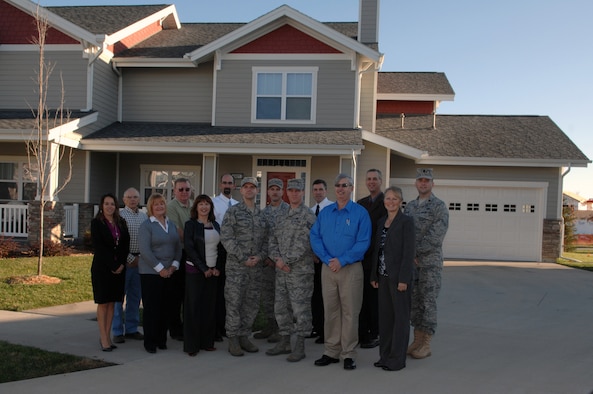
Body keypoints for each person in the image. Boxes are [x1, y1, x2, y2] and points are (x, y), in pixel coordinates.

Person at [310, 174, 371, 371]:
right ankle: (331, 351)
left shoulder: (360, 213)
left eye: (345, 185)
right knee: (331, 311)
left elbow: (363, 242)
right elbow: (315, 237)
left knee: (350, 312)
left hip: (350, 268)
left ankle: (348, 354)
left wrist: (342, 260)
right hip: (328, 268)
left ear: (351, 188)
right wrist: (328, 259)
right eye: (337, 185)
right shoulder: (326, 213)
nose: (341, 189)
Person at [266, 178, 316, 362]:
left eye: (298, 190)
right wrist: (277, 259)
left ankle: (300, 345)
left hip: (300, 272)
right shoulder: (281, 215)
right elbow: (272, 239)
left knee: (300, 308)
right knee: (281, 307)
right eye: (291, 190)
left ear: (303, 193)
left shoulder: (309, 216)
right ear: (287, 192)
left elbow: (304, 243)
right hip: (281, 270)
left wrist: (285, 260)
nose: (294, 193)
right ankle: (285, 340)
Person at [404, 168, 449, 359]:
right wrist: (409, 253)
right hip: (412, 265)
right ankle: (417, 339)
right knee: (415, 302)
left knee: (428, 302)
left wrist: (415, 251)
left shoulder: (439, 206)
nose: (423, 183)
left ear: (432, 184)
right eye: (420, 180)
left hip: (430, 264)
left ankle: (427, 343)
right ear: (416, 183)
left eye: (427, 180)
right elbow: (404, 232)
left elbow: (436, 235)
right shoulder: (410, 207)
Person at [220, 177, 267, 357]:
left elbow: (267, 241)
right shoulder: (233, 212)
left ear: (256, 191)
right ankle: (233, 338)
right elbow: (227, 238)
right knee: (234, 302)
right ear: (241, 190)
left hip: (255, 268)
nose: (249, 190)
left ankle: (244, 336)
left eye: (252, 187)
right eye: (246, 187)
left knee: (251, 303)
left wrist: (260, 257)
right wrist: (243, 258)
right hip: (236, 268)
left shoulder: (261, 215)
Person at [370, 186, 415, 371]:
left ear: (400, 201)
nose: (390, 201)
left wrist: (403, 279)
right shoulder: (382, 222)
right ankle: (385, 356)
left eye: (394, 198)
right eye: (388, 198)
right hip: (383, 277)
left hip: (399, 280)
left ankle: (397, 359)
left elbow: (408, 252)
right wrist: (374, 274)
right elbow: (377, 251)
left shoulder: (406, 222)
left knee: (401, 319)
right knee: (386, 319)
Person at [138, 193, 182, 354]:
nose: (159, 207)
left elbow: (178, 246)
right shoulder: (146, 225)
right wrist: (160, 269)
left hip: (170, 272)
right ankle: (150, 341)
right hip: (151, 273)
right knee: (152, 308)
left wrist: (174, 266)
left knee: (166, 307)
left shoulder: (171, 224)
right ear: (151, 207)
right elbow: (145, 251)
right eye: (156, 204)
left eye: (162, 204)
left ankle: (161, 339)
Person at [183, 195, 223, 356]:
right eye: (201, 204)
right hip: (196, 271)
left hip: (213, 272)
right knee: (193, 308)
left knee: (209, 308)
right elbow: (190, 249)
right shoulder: (191, 225)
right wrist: (204, 268)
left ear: (211, 207)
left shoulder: (216, 225)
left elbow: (221, 249)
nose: (204, 207)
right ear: (196, 207)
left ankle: (207, 341)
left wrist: (217, 268)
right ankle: (192, 345)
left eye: (207, 204)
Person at [91, 193, 130, 352]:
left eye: (112, 204)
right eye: (106, 204)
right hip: (103, 268)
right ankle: (103, 338)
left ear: (116, 206)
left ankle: (108, 336)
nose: (109, 206)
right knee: (103, 303)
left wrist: (120, 263)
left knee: (113, 303)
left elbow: (125, 244)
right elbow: (98, 247)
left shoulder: (121, 222)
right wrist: (113, 265)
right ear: (102, 206)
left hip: (119, 269)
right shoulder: (96, 223)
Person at [255, 178, 289, 342]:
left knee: (281, 297)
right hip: (266, 263)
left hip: (283, 262)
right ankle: (270, 325)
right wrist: (266, 257)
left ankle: (281, 329)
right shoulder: (264, 213)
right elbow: (261, 237)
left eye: (278, 189)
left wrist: (277, 258)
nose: (275, 192)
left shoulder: (289, 211)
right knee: (267, 295)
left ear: (282, 192)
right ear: (267, 192)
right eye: (272, 189)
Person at [112, 188, 147, 344]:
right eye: (129, 197)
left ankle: (132, 329)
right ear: (124, 199)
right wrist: (129, 258)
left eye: (135, 197)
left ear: (139, 199)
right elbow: (117, 242)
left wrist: (141, 258)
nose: (132, 200)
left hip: (141, 261)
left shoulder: (144, 216)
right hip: (125, 261)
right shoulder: (119, 216)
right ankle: (117, 331)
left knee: (135, 298)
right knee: (119, 298)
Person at [357, 169, 387, 349]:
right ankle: (364, 331)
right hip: (361, 258)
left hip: (377, 258)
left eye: (375, 179)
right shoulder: (360, 204)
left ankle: (376, 333)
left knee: (375, 300)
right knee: (363, 298)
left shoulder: (387, 203)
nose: (371, 182)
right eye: (368, 179)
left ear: (380, 181)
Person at [212, 173, 238, 341]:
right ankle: (217, 327)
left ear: (234, 186)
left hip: (235, 251)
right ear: (220, 185)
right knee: (219, 290)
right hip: (219, 250)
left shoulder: (237, 205)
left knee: (232, 291)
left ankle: (231, 326)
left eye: (230, 183)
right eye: (224, 183)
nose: (227, 185)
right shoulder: (213, 203)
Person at [166, 178, 193, 341]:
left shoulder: (193, 206)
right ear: (174, 191)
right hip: (178, 255)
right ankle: (175, 329)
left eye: (187, 189)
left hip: (192, 254)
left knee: (188, 294)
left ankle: (187, 326)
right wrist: (197, 240)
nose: (184, 192)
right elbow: (178, 232)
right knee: (175, 295)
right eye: (181, 189)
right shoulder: (171, 207)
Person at [308, 179, 333, 344]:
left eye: (320, 189)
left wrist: (322, 254)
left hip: (328, 260)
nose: (317, 192)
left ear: (326, 190)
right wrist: (313, 253)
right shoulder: (309, 211)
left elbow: (331, 236)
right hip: (313, 261)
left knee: (327, 297)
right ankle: (316, 327)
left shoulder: (332, 209)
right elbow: (309, 236)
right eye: (315, 189)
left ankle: (326, 331)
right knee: (314, 295)